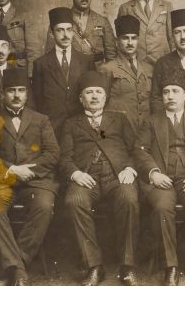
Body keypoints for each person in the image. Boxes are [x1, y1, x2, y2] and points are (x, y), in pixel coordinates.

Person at [136, 67, 185, 285]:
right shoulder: (151, 121)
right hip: (162, 180)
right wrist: (153, 173)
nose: (170, 96)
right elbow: (140, 151)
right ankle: (170, 266)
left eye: (175, 91)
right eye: (166, 92)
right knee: (162, 209)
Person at [59, 71, 140, 286]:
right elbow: (64, 157)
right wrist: (76, 173)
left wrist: (130, 168)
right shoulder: (71, 123)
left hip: (117, 175)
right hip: (86, 176)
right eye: (89, 92)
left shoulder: (119, 119)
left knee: (129, 200)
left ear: (105, 97)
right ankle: (94, 266)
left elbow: (136, 149)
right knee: (74, 201)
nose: (94, 96)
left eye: (98, 92)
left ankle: (127, 266)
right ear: (80, 98)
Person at [0, 68, 60, 286]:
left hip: (36, 180)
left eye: (21, 90)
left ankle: (15, 265)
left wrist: (31, 171)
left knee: (44, 206)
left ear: (27, 94)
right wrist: (12, 170)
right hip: (2, 180)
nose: (16, 95)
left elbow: (53, 153)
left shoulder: (41, 119)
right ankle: (18, 270)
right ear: (2, 94)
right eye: (11, 91)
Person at [32, 7, 95, 134]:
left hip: (81, 128)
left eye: (69, 30)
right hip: (53, 128)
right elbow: (38, 101)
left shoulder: (86, 61)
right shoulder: (40, 64)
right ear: (52, 33)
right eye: (60, 30)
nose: (65, 35)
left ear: (73, 32)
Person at [97, 14, 152, 135]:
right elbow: (100, 105)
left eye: (134, 38)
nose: (130, 43)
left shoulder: (148, 69)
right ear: (117, 41)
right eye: (125, 38)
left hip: (145, 133)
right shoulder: (107, 69)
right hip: (118, 132)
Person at [45, 0, 117, 62]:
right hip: (71, 69)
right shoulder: (59, 21)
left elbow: (111, 56)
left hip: (97, 69)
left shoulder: (102, 22)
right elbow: (50, 55)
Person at [117, 0, 174, 65]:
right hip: (137, 65)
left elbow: (172, 39)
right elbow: (121, 43)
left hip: (163, 64)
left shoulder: (167, 6)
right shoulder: (126, 8)